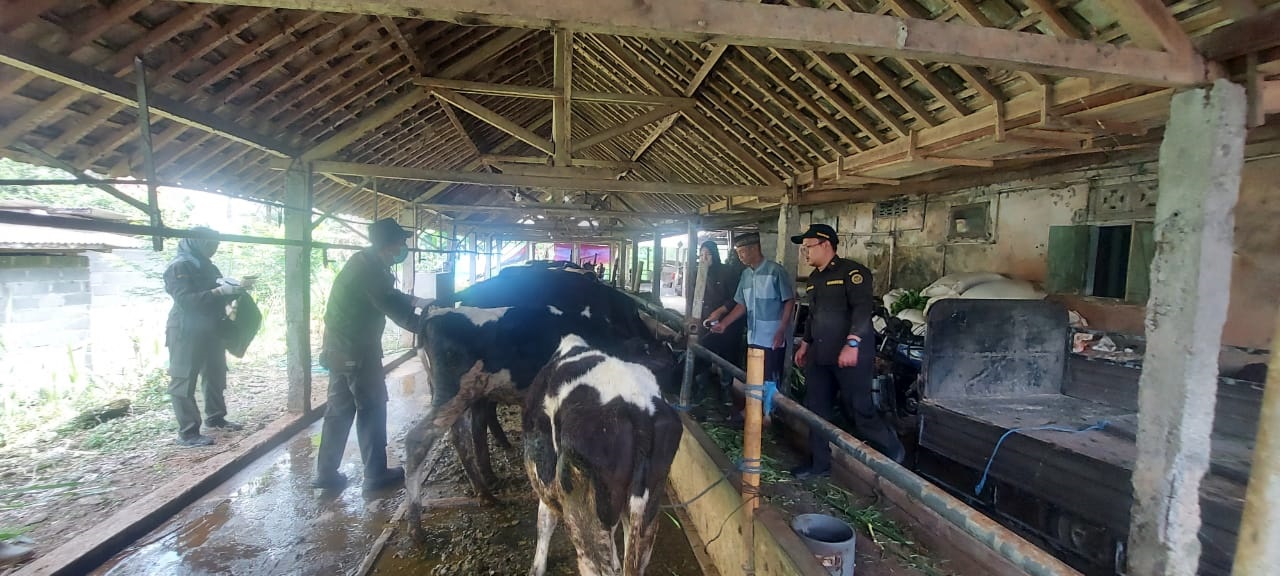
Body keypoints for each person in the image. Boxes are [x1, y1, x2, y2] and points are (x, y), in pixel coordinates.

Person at [314, 218, 432, 491]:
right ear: (389, 245)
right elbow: (395, 309)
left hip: (337, 350)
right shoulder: (369, 270)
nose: (403, 247)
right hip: (359, 351)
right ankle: (375, 474)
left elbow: (387, 294)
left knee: (338, 409)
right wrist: (432, 325)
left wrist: (414, 300)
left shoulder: (364, 263)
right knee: (372, 406)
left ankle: (326, 473)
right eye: (401, 242)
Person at [791, 224, 906, 477]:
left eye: (808, 247)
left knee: (858, 409)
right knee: (816, 409)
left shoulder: (853, 273)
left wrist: (852, 343)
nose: (804, 253)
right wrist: (805, 344)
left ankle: (892, 452)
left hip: (850, 354)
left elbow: (863, 310)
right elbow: (813, 316)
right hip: (820, 354)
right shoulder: (814, 279)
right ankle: (820, 464)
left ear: (825, 244)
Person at [163, 227, 249, 448]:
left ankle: (216, 418)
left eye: (216, 244)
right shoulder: (179, 266)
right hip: (185, 329)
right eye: (210, 244)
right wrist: (217, 292)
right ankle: (188, 432)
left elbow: (217, 296)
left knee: (215, 373)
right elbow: (185, 301)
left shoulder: (208, 266)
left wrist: (235, 291)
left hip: (210, 327)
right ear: (196, 242)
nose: (214, 248)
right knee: (183, 379)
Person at [708, 233, 795, 411]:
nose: (740, 256)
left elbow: (789, 301)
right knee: (755, 375)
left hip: (772, 336)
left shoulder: (775, 271)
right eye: (738, 253)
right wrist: (724, 324)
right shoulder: (746, 275)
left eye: (742, 252)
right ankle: (755, 412)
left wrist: (782, 329)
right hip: (753, 335)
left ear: (754, 249)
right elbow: (742, 304)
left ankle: (769, 414)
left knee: (770, 376)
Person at [694, 241, 745, 399]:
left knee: (727, 356)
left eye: (707, 254)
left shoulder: (727, 272)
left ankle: (726, 389)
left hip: (727, 322)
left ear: (715, 255)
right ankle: (702, 388)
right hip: (705, 320)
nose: (704, 258)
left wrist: (720, 311)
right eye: (701, 255)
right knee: (702, 353)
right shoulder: (698, 274)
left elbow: (736, 298)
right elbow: (694, 298)